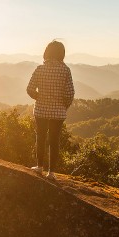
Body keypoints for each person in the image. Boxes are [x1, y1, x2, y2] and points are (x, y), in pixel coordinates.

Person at [26, 40, 75, 180]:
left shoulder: (39, 69)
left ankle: (39, 166)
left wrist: (38, 97)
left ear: (47, 52)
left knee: (40, 137)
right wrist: (64, 105)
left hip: (41, 110)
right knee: (54, 141)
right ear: (62, 54)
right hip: (58, 112)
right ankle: (51, 172)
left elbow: (29, 89)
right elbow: (70, 93)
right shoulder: (65, 70)